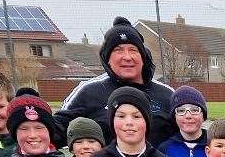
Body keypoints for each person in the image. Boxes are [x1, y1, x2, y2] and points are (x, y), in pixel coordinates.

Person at [56, 16, 176, 145]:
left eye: (133, 50)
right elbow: (56, 132)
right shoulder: (88, 91)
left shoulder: (167, 94)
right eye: (118, 50)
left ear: (143, 57)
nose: (127, 57)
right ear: (107, 59)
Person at [159, 85, 210, 157]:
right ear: (175, 117)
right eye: (181, 111)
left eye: (194, 110)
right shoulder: (164, 150)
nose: (188, 116)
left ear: (203, 116)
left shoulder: (215, 146)